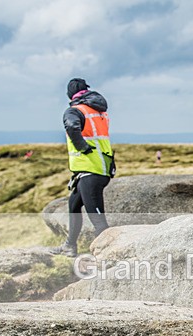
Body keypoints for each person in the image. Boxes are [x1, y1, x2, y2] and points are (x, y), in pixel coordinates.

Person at [51, 78, 115, 257]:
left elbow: (72, 127)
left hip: (90, 169)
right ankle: (69, 246)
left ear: (70, 94)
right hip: (100, 167)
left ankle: (108, 256)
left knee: (98, 220)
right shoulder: (99, 111)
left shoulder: (75, 111)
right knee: (74, 205)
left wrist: (82, 147)